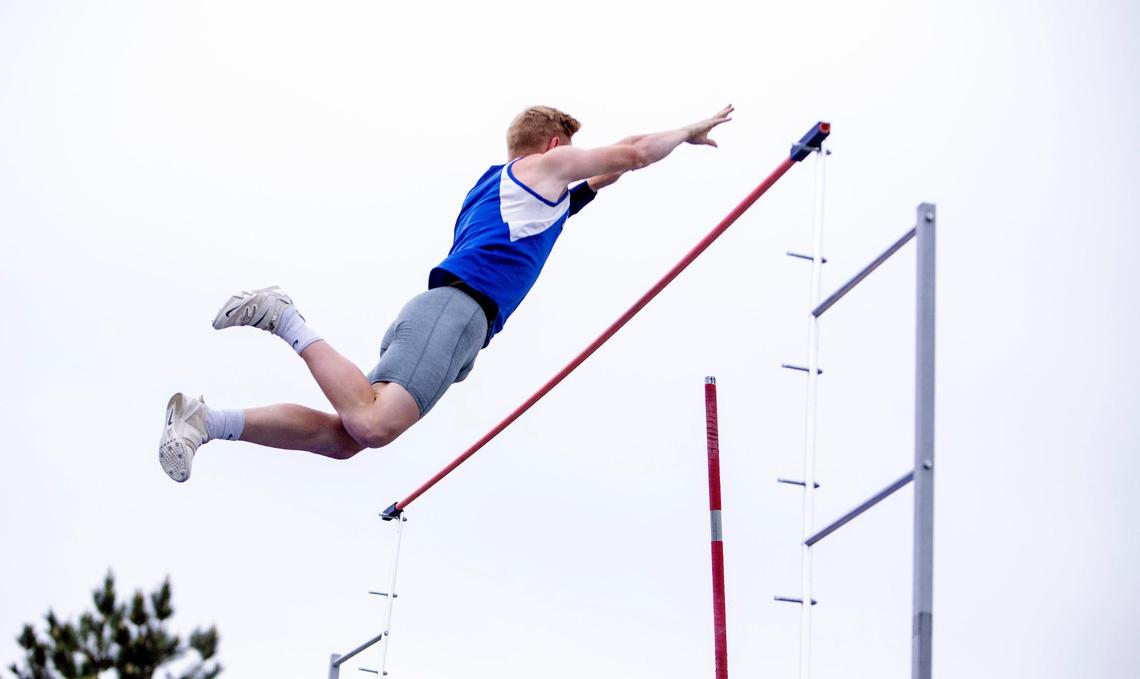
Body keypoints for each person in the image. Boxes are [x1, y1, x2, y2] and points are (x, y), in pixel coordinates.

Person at [158, 104, 734, 482]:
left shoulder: (513, 191)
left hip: (449, 322)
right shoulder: (544, 169)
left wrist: (649, 148)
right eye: (570, 151)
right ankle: (284, 317)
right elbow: (631, 153)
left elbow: (616, 167)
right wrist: (686, 133)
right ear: (554, 144)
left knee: (346, 439)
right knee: (374, 426)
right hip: (455, 312)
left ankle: (206, 421)